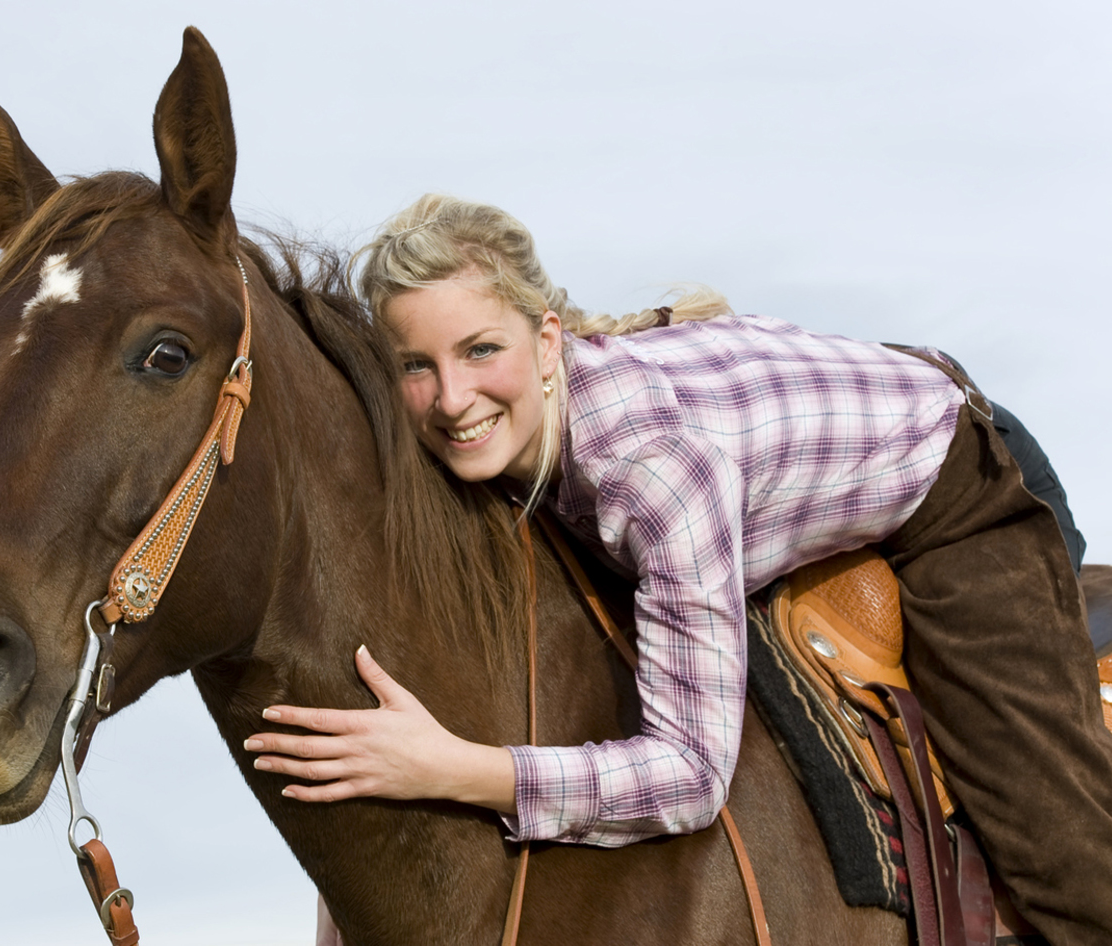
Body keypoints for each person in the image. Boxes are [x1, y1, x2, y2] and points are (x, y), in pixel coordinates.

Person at [242, 194, 1112, 944]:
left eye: (480, 351)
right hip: (765, 458)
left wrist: (455, 769)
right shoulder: (477, 437)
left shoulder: (653, 473)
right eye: (415, 367)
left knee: (1058, 843)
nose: (453, 397)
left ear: (547, 341)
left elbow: (694, 778)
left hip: (950, 480)